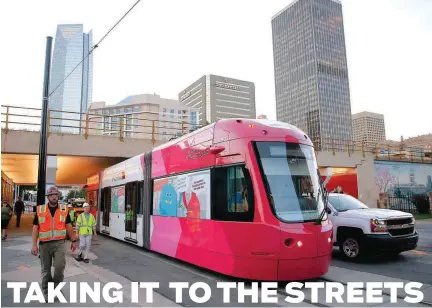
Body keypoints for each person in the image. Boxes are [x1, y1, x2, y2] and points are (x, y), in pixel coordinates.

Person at [31, 186, 77, 302]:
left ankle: (56, 289)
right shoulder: (40, 210)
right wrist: (34, 244)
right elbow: (36, 228)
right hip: (44, 245)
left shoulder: (64, 209)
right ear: (48, 197)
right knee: (46, 270)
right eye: (51, 195)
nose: (54, 197)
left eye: (56, 195)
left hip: (59, 243)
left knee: (59, 267)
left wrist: (74, 240)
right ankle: (47, 292)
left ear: (58, 196)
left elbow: (68, 226)